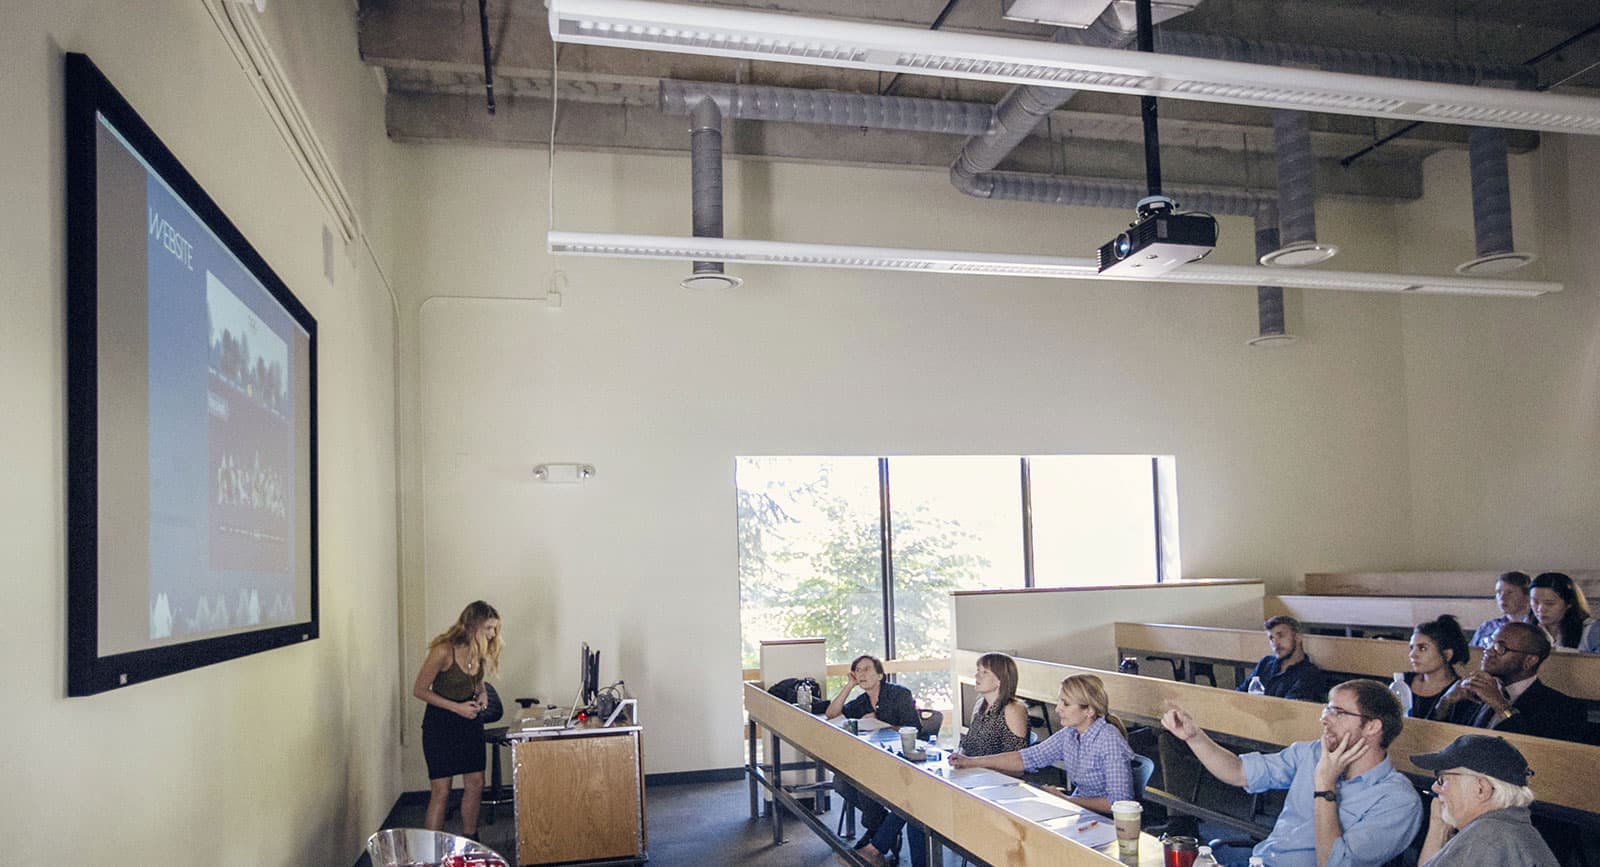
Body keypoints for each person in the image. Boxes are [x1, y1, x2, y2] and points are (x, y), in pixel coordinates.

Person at [1161, 679, 1421, 867]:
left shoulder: (1398, 800)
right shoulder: (1312, 753)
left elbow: (1335, 863)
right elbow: (1239, 772)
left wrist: (1325, 787)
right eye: (1327, 709)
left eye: (1338, 713)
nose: (1324, 719)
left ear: (1373, 727)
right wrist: (1194, 737)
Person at [854, 653, 1028, 867]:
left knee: (917, 802)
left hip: (994, 788)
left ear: (1000, 679)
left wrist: (972, 763)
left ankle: (875, 849)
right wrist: (956, 758)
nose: (977, 676)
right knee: (916, 806)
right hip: (970, 777)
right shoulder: (981, 706)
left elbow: (1017, 765)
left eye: (984, 672)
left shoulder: (1014, 709)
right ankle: (878, 850)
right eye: (978, 671)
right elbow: (968, 746)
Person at [949, 673, 1134, 814]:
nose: (1058, 709)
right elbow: (1027, 758)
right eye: (1059, 702)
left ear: (1089, 711)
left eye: (1066, 704)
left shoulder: (1109, 740)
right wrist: (972, 762)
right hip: (1081, 811)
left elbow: (1118, 803)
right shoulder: (1069, 734)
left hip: (1105, 821)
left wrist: (1066, 799)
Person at [412, 600, 502, 838]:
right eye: (488, 628)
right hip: (440, 725)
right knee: (441, 790)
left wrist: (482, 694)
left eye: (494, 629)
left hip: (469, 723)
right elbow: (419, 690)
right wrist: (456, 708)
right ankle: (432, 849)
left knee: (476, 783)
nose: (493, 634)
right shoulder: (443, 650)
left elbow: (478, 681)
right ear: (473, 626)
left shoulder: (478, 650)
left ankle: (470, 839)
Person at [1411, 734, 1558, 866]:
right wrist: (1439, 825)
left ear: (1481, 789)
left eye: (1442, 779)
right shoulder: (1508, 832)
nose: (1435, 787)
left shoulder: (1487, 838)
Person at [1436, 621, 1589, 743]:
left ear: (1529, 661)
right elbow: (1432, 741)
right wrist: (1445, 701)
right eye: (1489, 642)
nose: (1488, 651)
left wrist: (1501, 706)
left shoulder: (1564, 709)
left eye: (1500, 648)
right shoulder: (1472, 692)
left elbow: (1535, 754)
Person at [826, 654, 920, 852]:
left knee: (865, 782)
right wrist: (849, 686)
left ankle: (875, 833)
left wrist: (882, 724)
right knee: (841, 782)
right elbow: (832, 714)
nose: (862, 674)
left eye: (867, 669)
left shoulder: (899, 694)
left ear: (880, 675)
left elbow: (914, 728)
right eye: (857, 671)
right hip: (874, 758)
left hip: (901, 758)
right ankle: (881, 826)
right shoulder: (861, 701)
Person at [1236, 615, 1326, 702]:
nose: (1275, 643)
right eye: (1271, 638)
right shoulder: (1266, 662)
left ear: (1298, 637)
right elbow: (1239, 693)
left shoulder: (1309, 674)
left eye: (1281, 636)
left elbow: (1288, 707)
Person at [1404, 615, 1470, 719]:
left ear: (1447, 655)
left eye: (1422, 648)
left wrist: (1444, 704)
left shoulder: (1459, 693)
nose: (1412, 654)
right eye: (1411, 648)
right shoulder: (1403, 682)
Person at [1469, 571, 1535, 649]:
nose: (1502, 598)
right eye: (1498, 592)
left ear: (1527, 597)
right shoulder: (1487, 627)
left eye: (1509, 593)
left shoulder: (1534, 628)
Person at [1528, 571, 1591, 650]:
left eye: (1549, 603)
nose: (1540, 609)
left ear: (1569, 603)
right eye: (1535, 602)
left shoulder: (1589, 631)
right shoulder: (1526, 630)